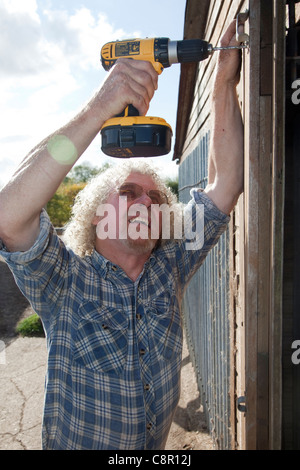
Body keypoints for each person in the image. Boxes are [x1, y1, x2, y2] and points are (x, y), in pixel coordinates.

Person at [0, 20, 244, 450]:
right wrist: (100, 109)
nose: (146, 203)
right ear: (96, 216)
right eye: (128, 193)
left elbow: (224, 183)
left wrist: (223, 79)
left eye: (155, 198)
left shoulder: (170, 263)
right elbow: (9, 215)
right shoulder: (64, 281)